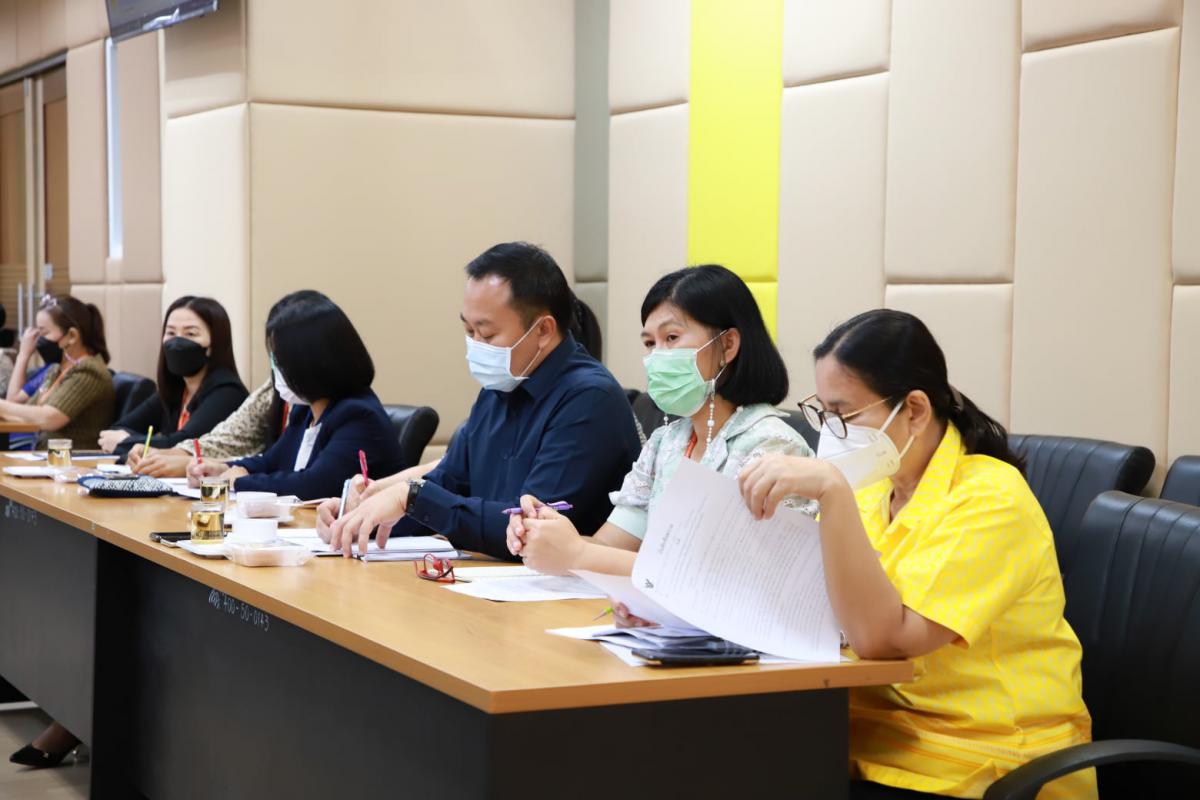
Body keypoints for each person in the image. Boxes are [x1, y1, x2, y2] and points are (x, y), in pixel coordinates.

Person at [735, 310, 1094, 799]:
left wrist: (832, 493)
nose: (832, 433)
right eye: (825, 414)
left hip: (975, 756)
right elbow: (809, 595)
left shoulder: (991, 498)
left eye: (846, 415)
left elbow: (886, 640)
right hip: (866, 735)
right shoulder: (873, 488)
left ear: (915, 410)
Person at [320, 242, 640, 560]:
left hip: (560, 587)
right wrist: (363, 516)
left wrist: (414, 499)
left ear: (543, 330)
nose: (475, 345)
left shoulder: (589, 399)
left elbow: (528, 529)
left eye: (486, 335)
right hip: (489, 577)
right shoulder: (499, 388)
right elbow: (449, 485)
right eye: (468, 330)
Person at [505, 264, 814, 577]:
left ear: (728, 344)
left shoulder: (774, 446)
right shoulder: (666, 443)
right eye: (650, 343)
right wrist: (546, 534)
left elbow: (736, 578)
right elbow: (610, 547)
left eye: (672, 337)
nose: (657, 357)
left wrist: (577, 553)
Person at [186, 291, 404, 500]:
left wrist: (240, 482)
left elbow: (313, 486)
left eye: (280, 359)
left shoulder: (358, 416)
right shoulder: (305, 410)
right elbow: (271, 461)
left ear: (311, 362)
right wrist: (225, 469)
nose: (275, 369)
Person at [98, 296, 248, 459]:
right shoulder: (176, 388)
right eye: (170, 332)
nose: (177, 341)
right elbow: (118, 430)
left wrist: (126, 443)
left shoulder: (228, 392)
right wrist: (135, 442)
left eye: (190, 333)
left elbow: (184, 445)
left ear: (214, 344)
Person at [0, 294, 114, 449]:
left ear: (72, 336)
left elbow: (50, 418)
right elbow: (17, 407)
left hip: (72, 459)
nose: (38, 340)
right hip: (45, 455)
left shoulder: (88, 371)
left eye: (44, 333)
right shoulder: (57, 369)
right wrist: (23, 354)